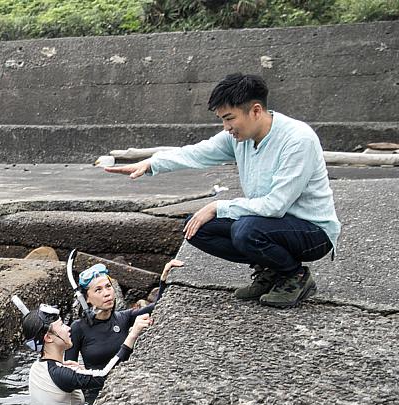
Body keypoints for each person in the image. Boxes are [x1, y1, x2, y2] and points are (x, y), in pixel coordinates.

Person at [105, 73, 340, 309]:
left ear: (256, 110)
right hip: (268, 224)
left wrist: (218, 206)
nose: (226, 128)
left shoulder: (298, 140)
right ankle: (271, 269)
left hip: (312, 231)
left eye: (229, 118)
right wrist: (150, 164)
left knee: (244, 229)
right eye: (222, 120)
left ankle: (294, 275)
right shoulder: (240, 137)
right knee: (196, 228)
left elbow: (276, 205)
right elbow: (197, 152)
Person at [22, 302, 151, 405]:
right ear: (48, 338)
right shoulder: (60, 373)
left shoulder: (38, 366)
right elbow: (104, 376)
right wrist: (132, 336)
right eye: (62, 326)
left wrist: (67, 367)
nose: (68, 329)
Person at [65, 259, 183, 370]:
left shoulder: (123, 318)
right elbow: (67, 373)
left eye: (108, 287)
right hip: (95, 388)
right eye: (98, 290)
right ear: (87, 299)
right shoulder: (78, 328)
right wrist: (78, 372)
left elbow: (159, 305)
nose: (106, 293)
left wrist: (164, 278)